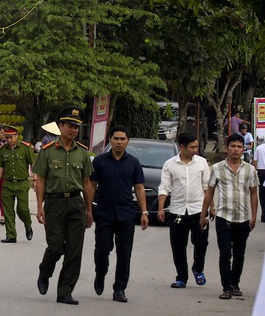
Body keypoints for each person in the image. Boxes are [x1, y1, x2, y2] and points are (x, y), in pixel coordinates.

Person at [32, 107, 93, 305]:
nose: (73, 130)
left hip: (76, 203)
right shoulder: (48, 152)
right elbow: (40, 180)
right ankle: (45, 271)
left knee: (75, 250)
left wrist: (89, 209)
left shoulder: (83, 153)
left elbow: (87, 183)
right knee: (56, 246)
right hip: (54, 203)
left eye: (77, 126)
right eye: (69, 126)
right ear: (60, 127)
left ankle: (65, 291)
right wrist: (40, 207)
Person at [89, 125, 149, 303]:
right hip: (104, 213)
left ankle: (119, 289)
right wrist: (88, 209)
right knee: (102, 249)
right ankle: (100, 274)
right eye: (116, 138)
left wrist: (144, 212)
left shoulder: (133, 163)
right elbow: (91, 185)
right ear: (110, 140)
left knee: (124, 253)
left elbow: (139, 188)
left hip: (126, 215)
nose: (119, 142)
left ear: (127, 141)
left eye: (123, 139)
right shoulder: (99, 162)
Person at [201, 133, 259, 300]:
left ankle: (235, 283)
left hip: (242, 218)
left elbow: (254, 194)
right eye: (233, 146)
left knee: (239, 253)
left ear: (243, 149)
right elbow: (210, 191)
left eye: (239, 147)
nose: (236, 149)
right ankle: (226, 287)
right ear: (227, 149)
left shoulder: (250, 170)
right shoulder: (217, 168)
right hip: (223, 217)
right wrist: (203, 214)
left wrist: (254, 216)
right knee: (225, 253)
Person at [157, 132, 211, 289]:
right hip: (177, 211)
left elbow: (208, 187)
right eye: (192, 147)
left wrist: (211, 208)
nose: (196, 149)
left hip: (198, 210)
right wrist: (161, 208)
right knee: (178, 245)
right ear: (182, 147)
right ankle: (181, 277)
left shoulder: (201, 163)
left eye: (196, 146)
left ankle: (198, 268)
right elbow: (164, 187)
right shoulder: (170, 164)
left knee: (201, 242)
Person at [0, 125, 35, 243]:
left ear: (17, 135)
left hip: (22, 183)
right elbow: (0, 166)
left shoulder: (26, 148)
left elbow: (33, 164)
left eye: (11, 137)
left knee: (23, 209)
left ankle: (28, 225)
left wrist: (35, 179)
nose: (8, 140)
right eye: (6, 138)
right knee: (8, 211)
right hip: (7, 184)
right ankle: (11, 235)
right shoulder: (3, 150)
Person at [251, 139, 265, 223]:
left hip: (261, 172)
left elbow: (255, 161)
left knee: (262, 193)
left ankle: (264, 214)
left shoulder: (259, 148)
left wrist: (255, 170)